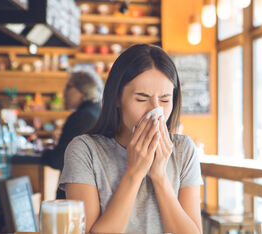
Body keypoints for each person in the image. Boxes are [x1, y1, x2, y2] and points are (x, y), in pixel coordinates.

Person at [59, 44, 203, 234]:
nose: (155, 110)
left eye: (165, 100)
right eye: (142, 99)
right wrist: (134, 173)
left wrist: (159, 176)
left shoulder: (184, 150)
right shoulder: (84, 150)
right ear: (117, 98)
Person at [41, 70, 103, 199]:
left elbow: (59, 160)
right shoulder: (99, 112)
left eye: (69, 87)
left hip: (75, 193)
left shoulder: (81, 117)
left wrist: (45, 153)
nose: (64, 92)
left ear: (83, 91)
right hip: (94, 190)